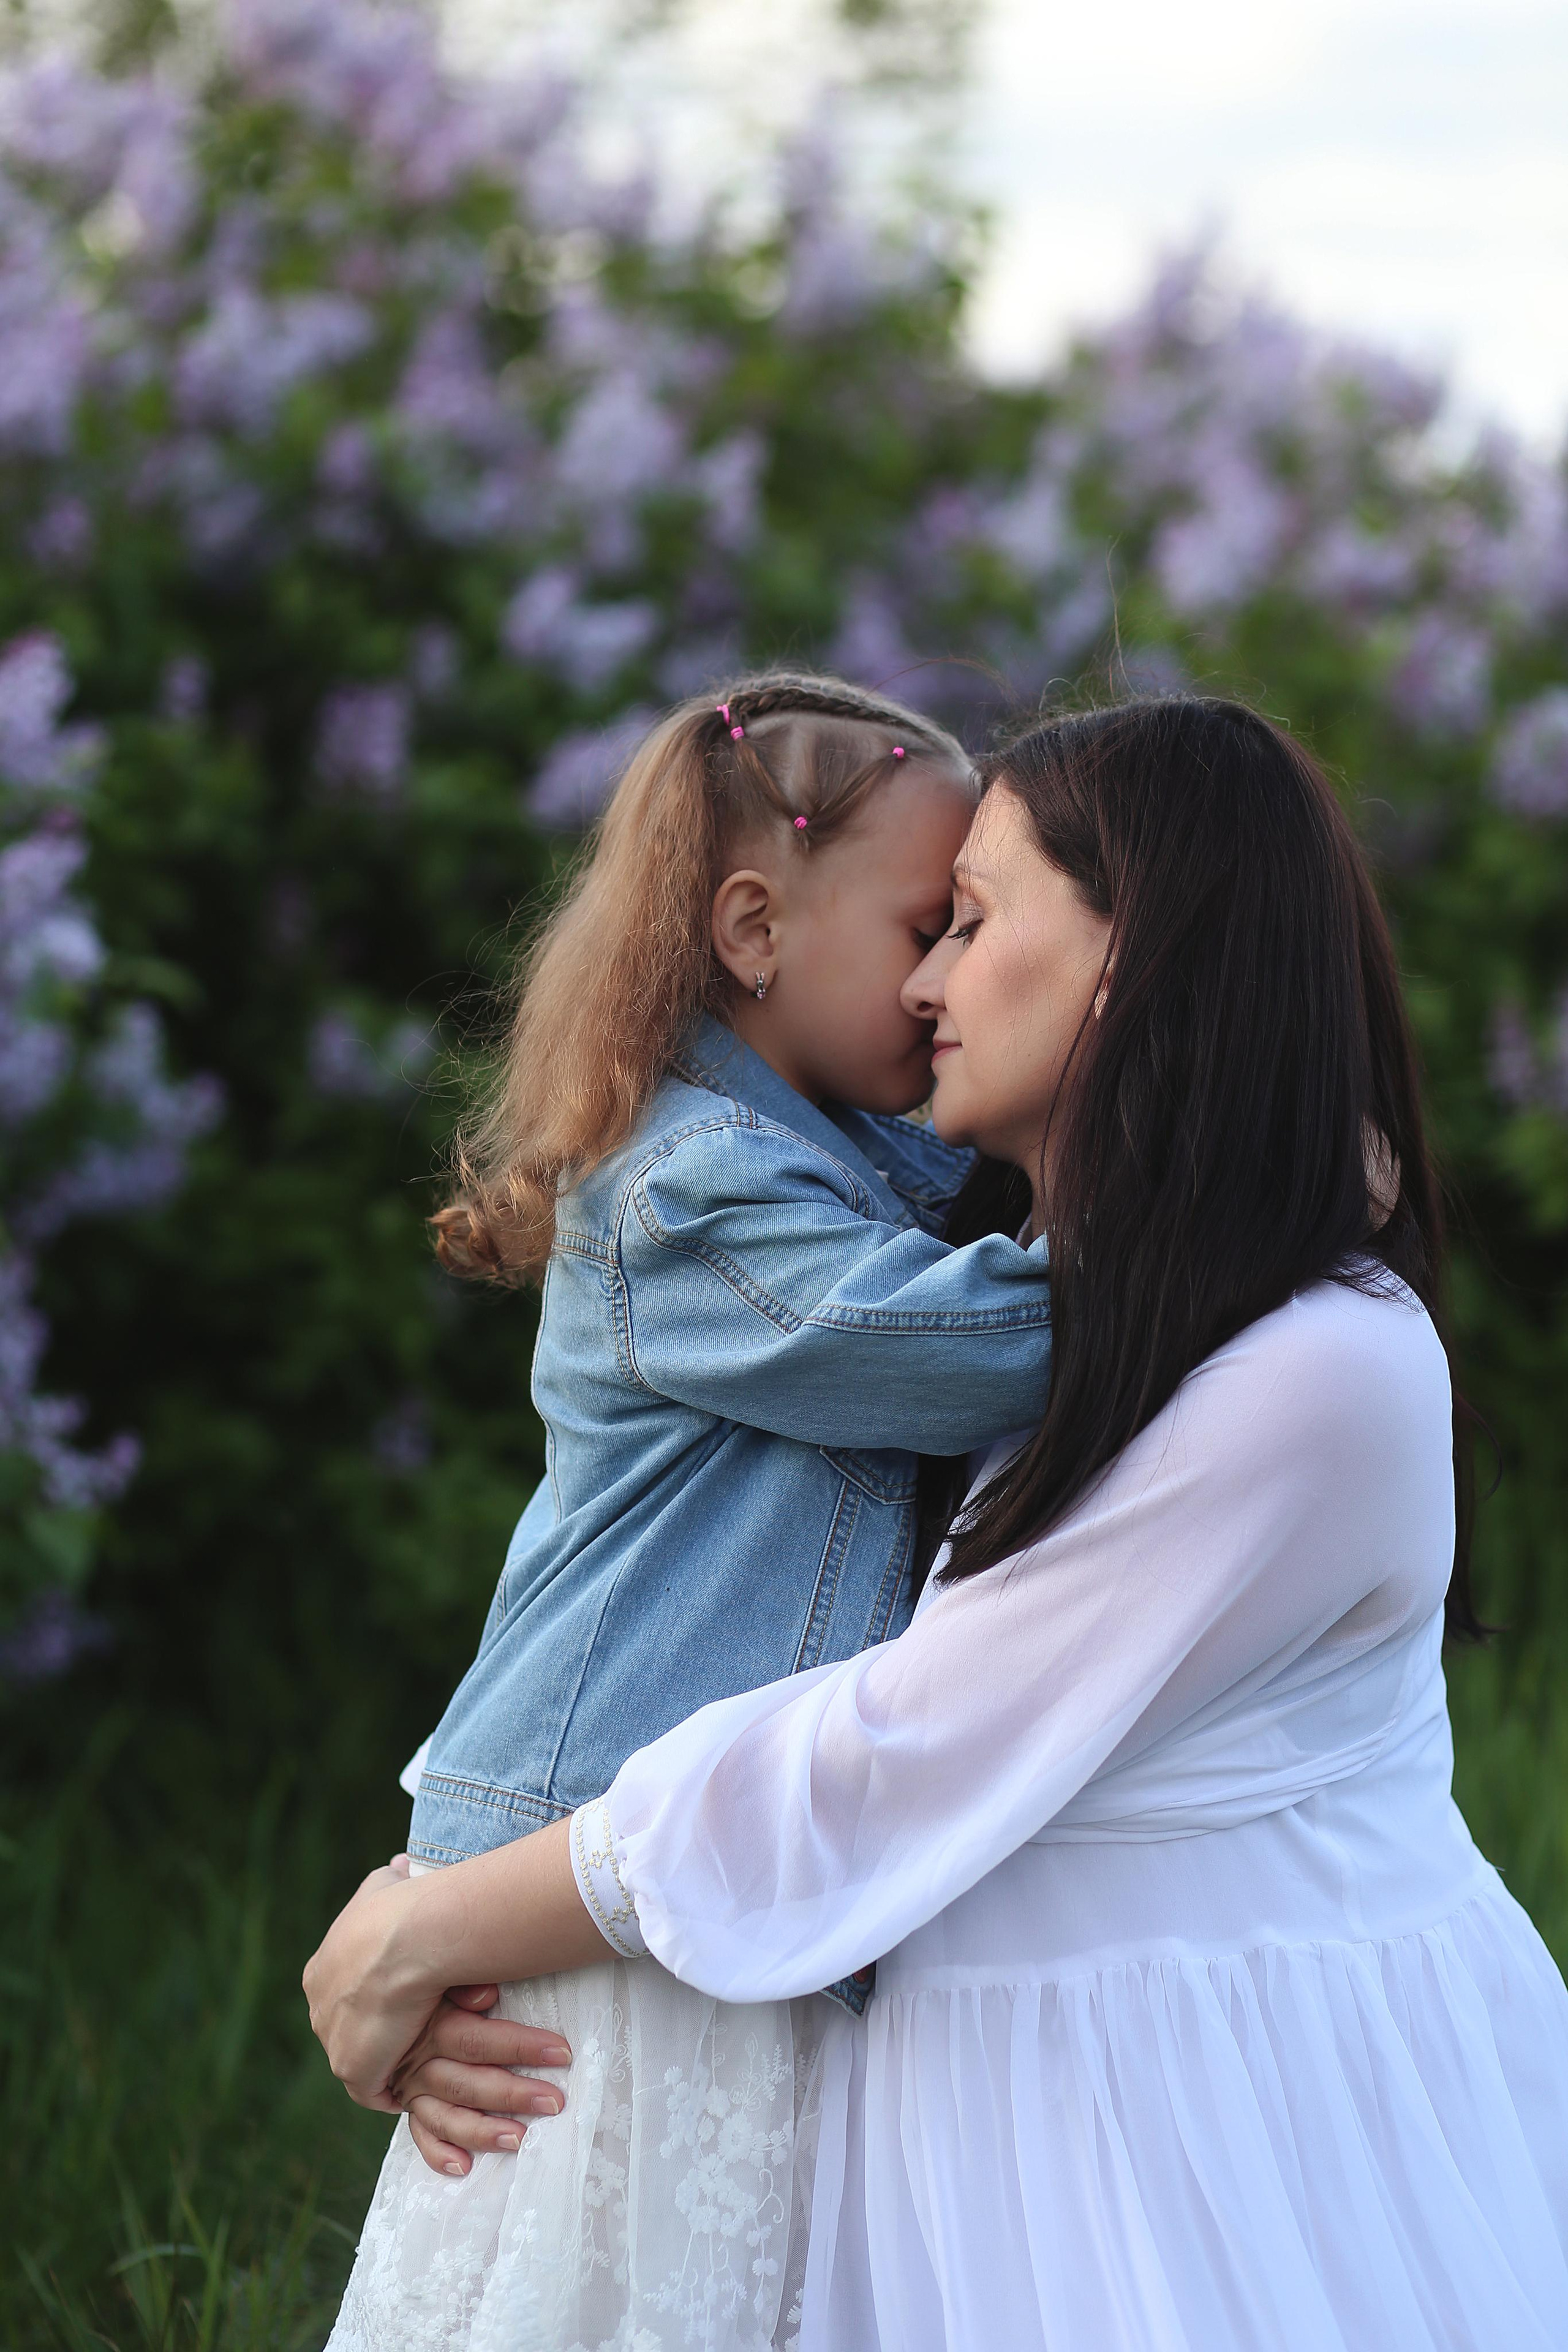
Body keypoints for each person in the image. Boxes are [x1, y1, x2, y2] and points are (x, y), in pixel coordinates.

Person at [308, 694, 1568, 2351]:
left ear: (1138, 959)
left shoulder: (1301, 1363)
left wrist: (432, 1923)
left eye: (966, 924)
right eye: (924, 923)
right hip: (709, 1951)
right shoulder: (796, 1217)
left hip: (1174, 2141)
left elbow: (901, 1739)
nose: (923, 983)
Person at [318, 671, 1059, 2351]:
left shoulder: (849, 1157)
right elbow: (934, 1346)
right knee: (600, 2283)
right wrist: (1203, 1252)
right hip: (604, 1850)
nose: (946, 977)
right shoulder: (691, 1189)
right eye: (923, 924)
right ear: (752, 927)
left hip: (691, 1857)